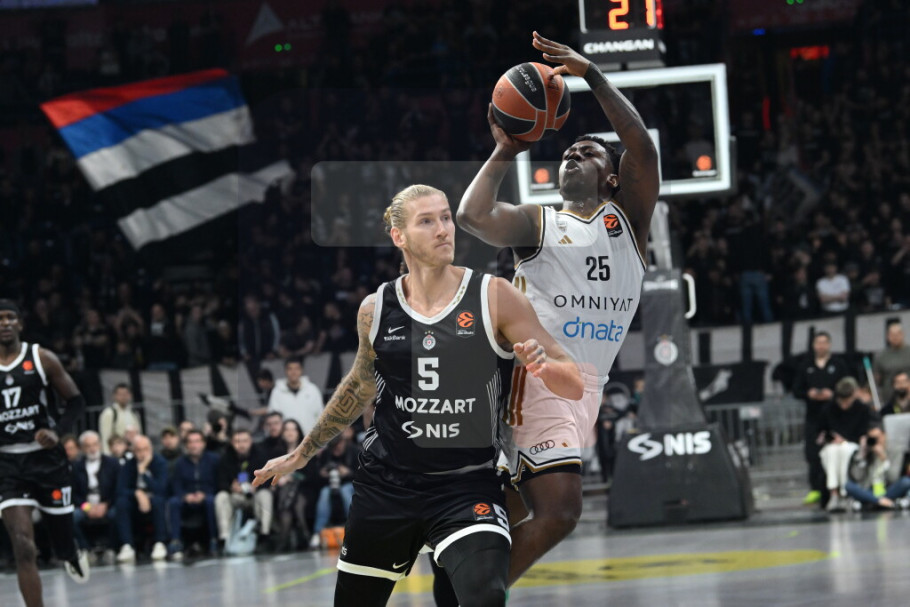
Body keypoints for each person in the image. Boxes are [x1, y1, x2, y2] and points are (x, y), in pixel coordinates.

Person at [254, 184, 583, 607]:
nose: (443, 229)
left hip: (466, 485)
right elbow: (359, 385)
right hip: (387, 486)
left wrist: (545, 367)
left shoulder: (494, 296)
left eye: (446, 217)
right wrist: (302, 453)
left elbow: (574, 380)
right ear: (399, 236)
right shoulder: (376, 309)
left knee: (485, 595)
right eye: (427, 221)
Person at [457, 32, 658, 585]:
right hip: (537, 373)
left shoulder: (629, 223)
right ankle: (474, 596)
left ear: (613, 178)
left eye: (587, 152)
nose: (572, 154)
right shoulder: (539, 222)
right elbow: (472, 216)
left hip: (585, 389)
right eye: (568, 151)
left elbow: (643, 149)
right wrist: (505, 151)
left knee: (515, 507)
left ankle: (456, 563)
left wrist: (592, 74)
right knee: (562, 510)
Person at [0, 299, 90, 606]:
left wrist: (57, 432)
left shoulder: (41, 358)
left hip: (46, 459)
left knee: (62, 540)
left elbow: (76, 402)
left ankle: (70, 552)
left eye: (10, 317)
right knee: (23, 546)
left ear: (20, 324)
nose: (4, 323)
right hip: (8, 465)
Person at [790, 332, 852, 505]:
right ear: (813, 345)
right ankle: (816, 488)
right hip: (814, 416)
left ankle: (841, 487)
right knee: (813, 453)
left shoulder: (838, 364)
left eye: (824, 342)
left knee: (838, 449)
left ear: (829, 344)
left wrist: (833, 394)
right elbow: (796, 389)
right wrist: (808, 393)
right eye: (818, 342)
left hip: (835, 415)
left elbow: (848, 386)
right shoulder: (806, 365)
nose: (821, 346)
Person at [818, 377, 876, 512]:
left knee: (844, 450)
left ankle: (845, 491)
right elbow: (821, 431)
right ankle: (834, 493)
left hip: (852, 444)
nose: (844, 404)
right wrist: (831, 438)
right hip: (832, 445)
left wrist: (845, 439)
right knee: (831, 451)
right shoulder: (829, 408)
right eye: (841, 400)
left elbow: (863, 433)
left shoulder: (862, 409)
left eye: (847, 400)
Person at [214, 429, 272, 553]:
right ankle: (224, 538)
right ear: (232, 443)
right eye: (237, 441)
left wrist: (256, 486)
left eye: (245, 441)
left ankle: (264, 535)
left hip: (255, 495)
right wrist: (231, 487)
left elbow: (268, 480)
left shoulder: (261, 456)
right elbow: (219, 482)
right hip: (235, 496)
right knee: (221, 497)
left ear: (251, 442)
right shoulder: (225, 458)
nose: (241, 445)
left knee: (265, 495)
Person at [113, 434, 169, 562]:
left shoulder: (160, 462)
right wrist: (137, 493)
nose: (142, 453)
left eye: (145, 449)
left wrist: (143, 472)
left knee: (158, 501)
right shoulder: (129, 465)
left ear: (151, 449)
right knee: (121, 503)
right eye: (138, 450)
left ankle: (160, 543)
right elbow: (121, 489)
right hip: (136, 500)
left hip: (155, 497)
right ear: (133, 451)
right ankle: (127, 545)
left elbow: (161, 488)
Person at [167, 429, 219, 560]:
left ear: (203, 443)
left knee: (211, 501)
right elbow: (176, 484)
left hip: (207, 496)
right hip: (187, 498)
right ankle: (175, 541)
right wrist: (185, 496)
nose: (194, 445)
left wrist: (205, 494)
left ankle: (214, 540)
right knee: (173, 502)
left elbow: (218, 482)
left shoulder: (214, 460)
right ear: (186, 445)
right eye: (190, 442)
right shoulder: (179, 463)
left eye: (197, 441)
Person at [309, 428, 358, 549]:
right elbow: (316, 477)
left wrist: (348, 473)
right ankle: (318, 532)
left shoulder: (354, 451)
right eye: (333, 446)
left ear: (343, 441)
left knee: (345, 490)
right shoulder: (326, 454)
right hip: (329, 485)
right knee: (324, 493)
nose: (336, 448)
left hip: (350, 485)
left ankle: (355, 529)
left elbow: (363, 475)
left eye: (338, 445)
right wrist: (322, 474)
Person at [72, 431, 119, 555]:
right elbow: (73, 493)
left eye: (95, 444)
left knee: (118, 513)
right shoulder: (77, 467)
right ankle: (85, 549)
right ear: (82, 448)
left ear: (100, 445)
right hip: (85, 505)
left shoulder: (112, 463)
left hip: (107, 504)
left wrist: (106, 505)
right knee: (71, 517)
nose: (92, 449)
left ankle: (112, 548)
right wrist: (86, 507)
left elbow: (117, 489)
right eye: (88, 446)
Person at [266, 357, 324, 435]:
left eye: (297, 369)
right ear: (285, 371)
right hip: (285, 438)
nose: (293, 372)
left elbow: (320, 415)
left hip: (309, 438)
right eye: (290, 369)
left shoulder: (312, 390)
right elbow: (273, 418)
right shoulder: (277, 392)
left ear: (302, 370)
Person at [98, 383, 143, 455]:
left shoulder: (134, 413)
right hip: (116, 453)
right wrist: (108, 455)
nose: (123, 397)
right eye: (120, 394)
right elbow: (105, 437)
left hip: (133, 452)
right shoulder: (109, 413)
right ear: (114, 396)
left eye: (126, 394)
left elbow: (139, 433)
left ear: (130, 395)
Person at [873, 322, 910, 404]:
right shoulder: (881, 356)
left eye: (897, 334)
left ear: (902, 334)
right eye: (892, 334)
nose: (895, 337)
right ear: (887, 336)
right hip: (889, 397)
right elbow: (877, 379)